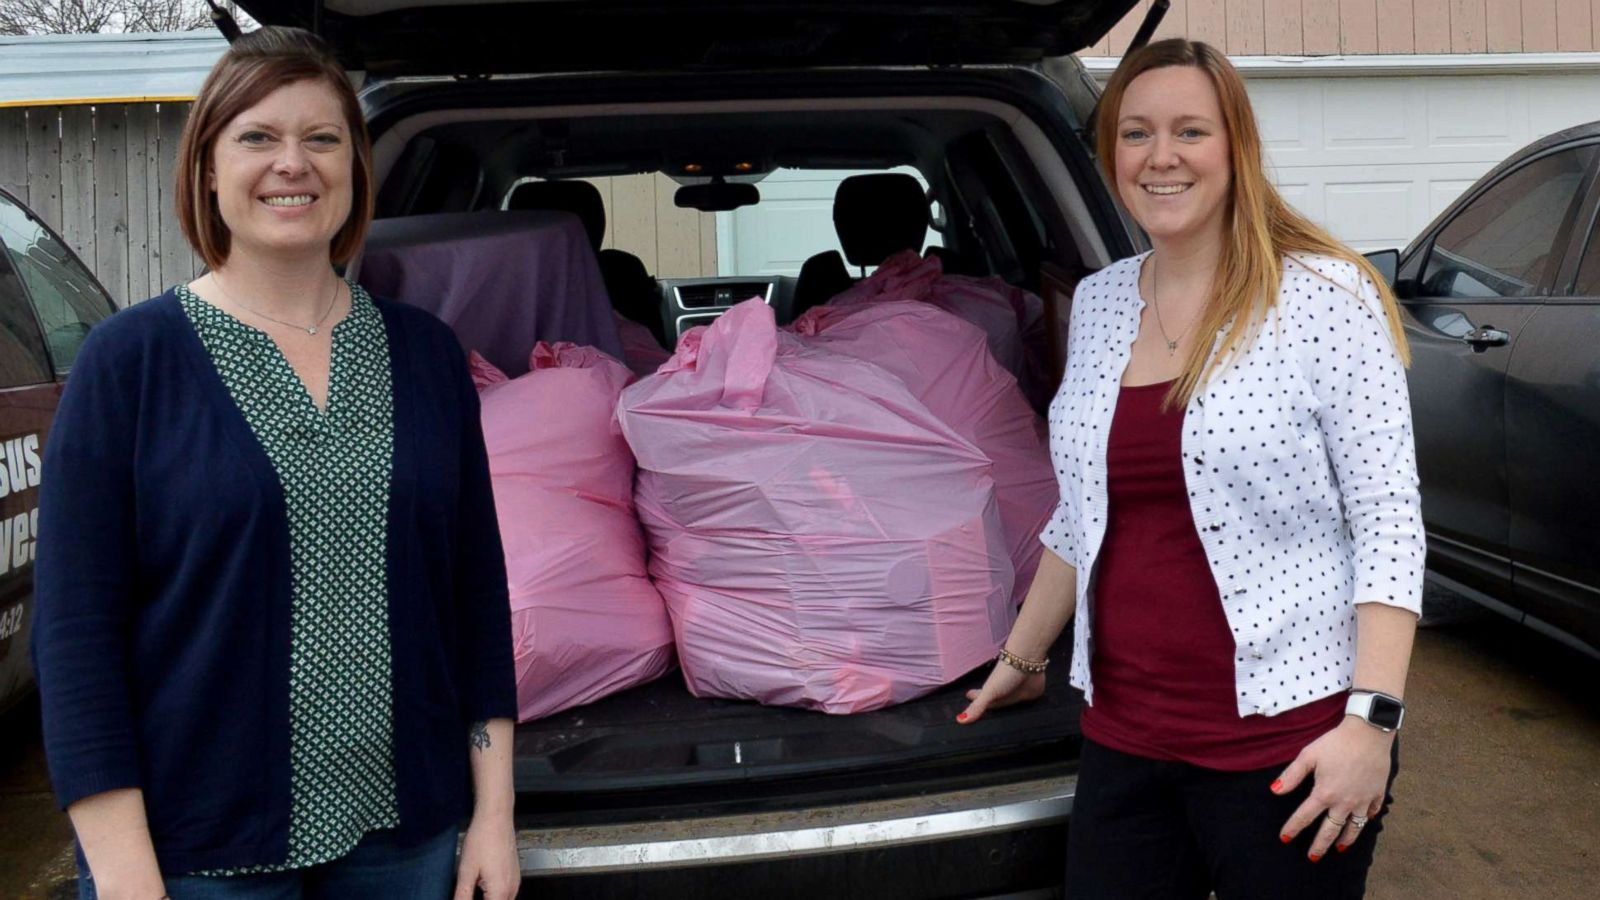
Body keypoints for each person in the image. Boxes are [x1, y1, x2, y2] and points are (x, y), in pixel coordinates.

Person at [31, 27, 520, 900]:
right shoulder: (129, 362)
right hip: (195, 855)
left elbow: (475, 594)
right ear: (208, 169)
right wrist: (123, 872)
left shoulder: (426, 355)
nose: (292, 163)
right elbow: (76, 638)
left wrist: (491, 815)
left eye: (321, 138)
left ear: (354, 171)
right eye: (257, 137)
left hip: (405, 838)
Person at [957, 38, 1424, 899]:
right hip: (1126, 744)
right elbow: (1083, 513)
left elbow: (1389, 519)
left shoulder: (1327, 297)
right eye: (1136, 134)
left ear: (1235, 148)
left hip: (1286, 753)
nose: (1161, 157)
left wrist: (1373, 724)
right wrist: (1021, 664)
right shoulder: (1099, 302)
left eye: (1189, 132)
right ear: (1111, 157)